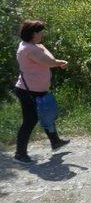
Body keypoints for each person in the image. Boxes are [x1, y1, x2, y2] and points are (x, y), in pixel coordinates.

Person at [13, 20, 70, 164]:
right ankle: (20, 153)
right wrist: (58, 62)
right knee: (30, 120)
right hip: (28, 91)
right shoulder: (30, 49)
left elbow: (48, 59)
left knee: (47, 112)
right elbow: (50, 62)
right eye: (40, 32)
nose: (42, 34)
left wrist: (43, 48)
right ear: (33, 34)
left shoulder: (28, 45)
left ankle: (55, 141)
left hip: (34, 89)